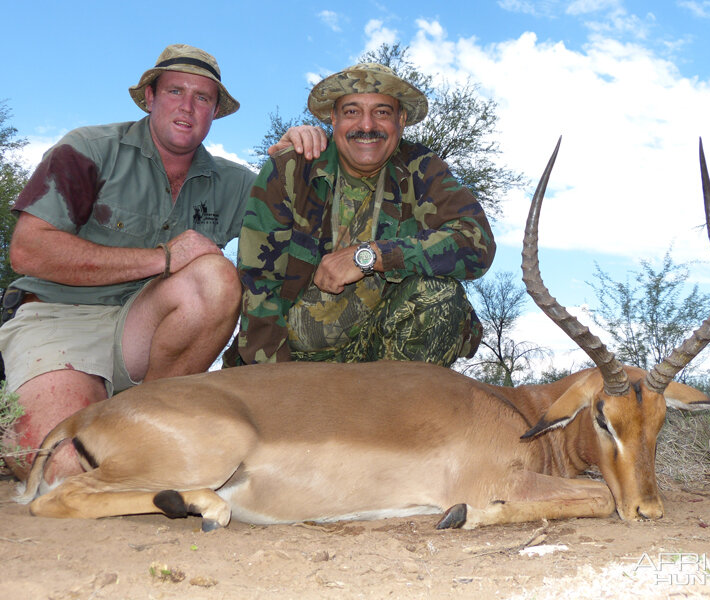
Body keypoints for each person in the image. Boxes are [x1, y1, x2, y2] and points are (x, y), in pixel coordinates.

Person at [0, 44, 322, 483]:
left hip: (149, 334)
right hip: (60, 320)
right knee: (59, 471)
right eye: (175, 91)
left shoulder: (233, 182)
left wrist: (293, 164)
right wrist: (163, 258)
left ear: (214, 112)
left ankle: (146, 423)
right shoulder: (89, 149)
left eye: (203, 97)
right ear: (150, 97)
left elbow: (300, 228)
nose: (187, 107)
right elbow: (28, 250)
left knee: (214, 279)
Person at [225, 63, 496, 368]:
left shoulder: (421, 169)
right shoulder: (290, 168)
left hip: (378, 356)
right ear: (334, 118)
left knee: (439, 295)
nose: (367, 126)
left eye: (381, 112)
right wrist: (279, 386)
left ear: (401, 120)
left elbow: (478, 242)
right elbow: (259, 287)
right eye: (352, 111)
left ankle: (398, 413)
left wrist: (371, 255)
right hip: (292, 363)